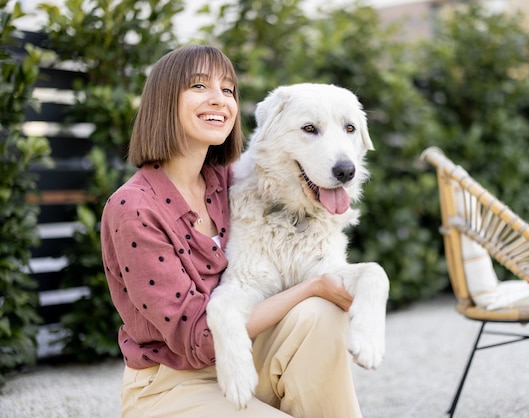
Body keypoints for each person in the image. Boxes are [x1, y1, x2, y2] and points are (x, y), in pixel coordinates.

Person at [100, 44, 362, 418]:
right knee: (316, 297)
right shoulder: (134, 207)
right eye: (199, 86)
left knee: (321, 315)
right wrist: (314, 286)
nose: (219, 100)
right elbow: (199, 339)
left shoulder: (230, 180)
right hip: (171, 383)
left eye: (228, 90)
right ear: (162, 101)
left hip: (246, 360)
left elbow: (296, 163)